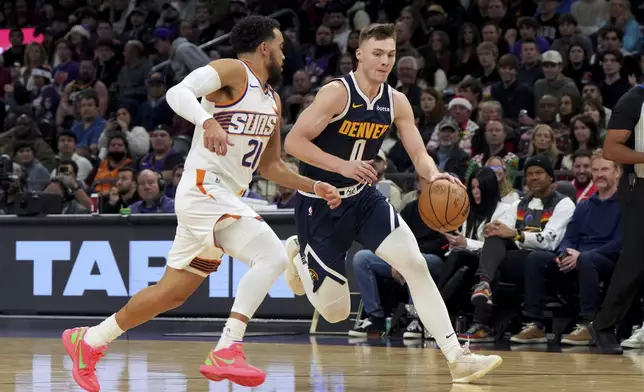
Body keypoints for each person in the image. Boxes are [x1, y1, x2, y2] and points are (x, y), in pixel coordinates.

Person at [61, 15, 341, 392]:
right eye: (279, 46)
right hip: (203, 189)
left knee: (172, 293)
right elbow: (178, 92)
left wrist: (313, 185)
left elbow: (271, 166)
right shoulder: (232, 71)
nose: (284, 54)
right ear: (263, 48)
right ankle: (228, 347)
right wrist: (206, 121)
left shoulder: (273, 100)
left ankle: (90, 341)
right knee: (272, 256)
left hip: (223, 198)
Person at [283, 23, 502, 384]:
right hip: (322, 201)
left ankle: (456, 357)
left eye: (391, 55)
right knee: (335, 313)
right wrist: (344, 166)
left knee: (415, 265)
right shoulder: (336, 94)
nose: (385, 61)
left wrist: (434, 176)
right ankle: (299, 254)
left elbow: (418, 149)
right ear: (359, 53)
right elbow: (294, 143)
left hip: (365, 199)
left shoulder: (396, 101)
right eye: (377, 53)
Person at [589, 84, 644, 354]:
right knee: (633, 262)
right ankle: (603, 325)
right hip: (639, 188)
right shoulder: (635, 98)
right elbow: (611, 149)